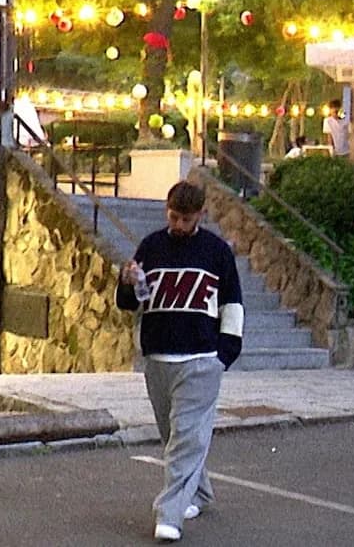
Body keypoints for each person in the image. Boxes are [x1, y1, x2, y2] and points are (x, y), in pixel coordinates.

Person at [115, 181, 243, 543]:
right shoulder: (151, 246)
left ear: (201, 215)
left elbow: (232, 304)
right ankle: (198, 493)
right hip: (158, 357)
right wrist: (127, 282)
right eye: (174, 217)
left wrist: (224, 355)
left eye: (186, 219)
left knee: (185, 438)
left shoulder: (216, 252)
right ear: (167, 210)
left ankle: (169, 514)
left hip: (201, 359)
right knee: (174, 435)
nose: (179, 225)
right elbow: (130, 302)